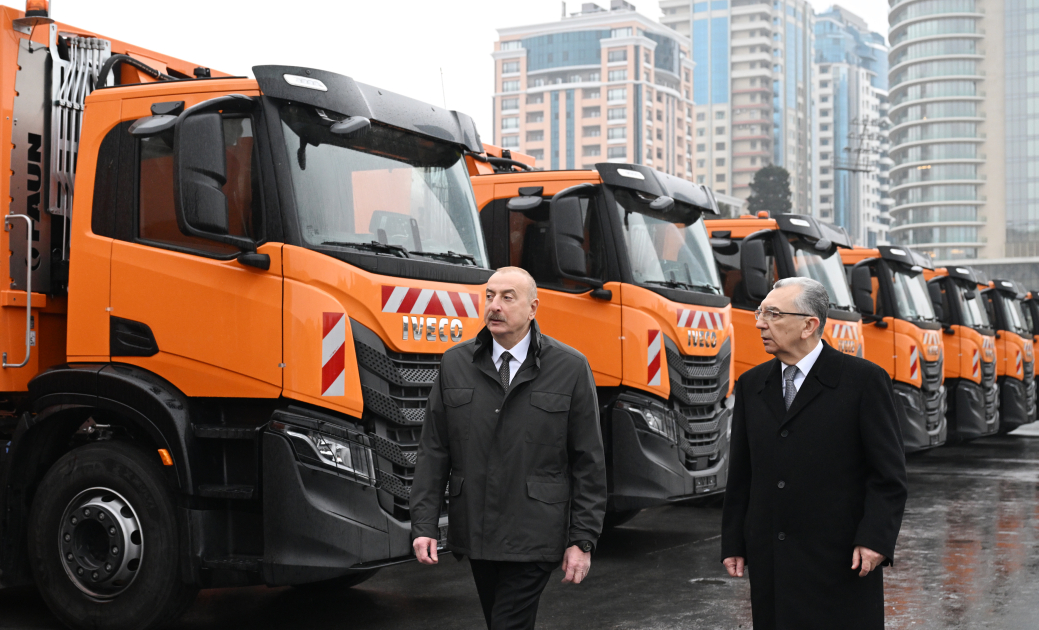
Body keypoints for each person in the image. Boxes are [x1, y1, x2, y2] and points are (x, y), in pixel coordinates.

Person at [410, 266, 607, 630]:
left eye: (506, 297)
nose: (494, 306)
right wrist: (423, 524)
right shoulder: (455, 363)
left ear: (533, 308)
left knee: (507, 624)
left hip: (535, 531)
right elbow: (434, 449)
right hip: (477, 530)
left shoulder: (570, 367)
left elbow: (588, 462)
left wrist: (583, 539)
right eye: (489, 296)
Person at [721, 277, 908, 630]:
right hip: (773, 562)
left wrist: (875, 540)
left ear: (810, 325)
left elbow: (889, 476)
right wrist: (734, 540)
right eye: (761, 312)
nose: (760, 323)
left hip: (841, 561)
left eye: (773, 314)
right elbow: (743, 473)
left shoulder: (863, 381)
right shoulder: (751, 384)